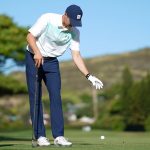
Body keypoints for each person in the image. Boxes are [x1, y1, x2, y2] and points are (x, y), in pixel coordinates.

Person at [25, 4, 103, 147]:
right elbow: (30, 36)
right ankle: (40, 136)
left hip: (52, 62)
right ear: (65, 14)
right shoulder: (47, 18)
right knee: (35, 96)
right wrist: (37, 52)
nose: (72, 24)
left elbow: (76, 55)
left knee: (56, 96)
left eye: (76, 22)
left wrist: (89, 76)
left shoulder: (75, 32)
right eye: (71, 20)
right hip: (33, 57)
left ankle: (59, 136)